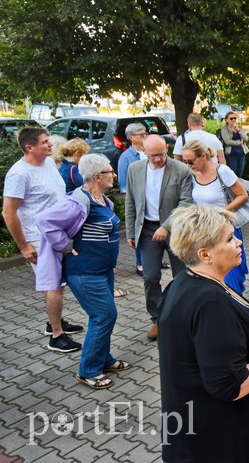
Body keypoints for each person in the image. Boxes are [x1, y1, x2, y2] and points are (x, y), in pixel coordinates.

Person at [158, 205, 249, 462]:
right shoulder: (210, 302)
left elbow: (215, 344)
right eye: (230, 239)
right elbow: (230, 385)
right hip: (226, 443)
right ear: (204, 254)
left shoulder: (185, 282)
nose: (240, 241)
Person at [36, 154, 130, 389]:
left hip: (103, 270)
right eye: (110, 171)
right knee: (104, 316)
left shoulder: (102, 200)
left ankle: (104, 359)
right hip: (85, 273)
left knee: (105, 317)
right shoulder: (78, 201)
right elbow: (45, 221)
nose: (114, 175)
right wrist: (66, 246)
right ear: (97, 177)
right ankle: (88, 370)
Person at [2, 127, 82, 353]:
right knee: (53, 285)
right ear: (30, 148)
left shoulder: (47, 163)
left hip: (58, 234)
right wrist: (24, 246)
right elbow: (9, 213)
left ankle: (54, 322)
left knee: (58, 284)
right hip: (39, 238)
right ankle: (57, 336)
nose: (50, 144)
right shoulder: (19, 174)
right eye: (45, 142)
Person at [125, 135, 194, 341]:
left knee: (182, 276)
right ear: (144, 152)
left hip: (176, 230)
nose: (158, 159)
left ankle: (182, 316)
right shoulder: (135, 169)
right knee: (151, 277)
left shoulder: (180, 169)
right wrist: (130, 231)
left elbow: (186, 202)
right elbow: (131, 201)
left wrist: (166, 225)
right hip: (147, 231)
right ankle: (157, 319)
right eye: (153, 155)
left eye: (162, 154)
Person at [180, 140, 249, 294]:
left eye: (190, 161)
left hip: (225, 230)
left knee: (230, 276)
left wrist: (221, 213)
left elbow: (242, 195)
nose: (188, 165)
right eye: (185, 162)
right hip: (205, 233)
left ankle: (236, 305)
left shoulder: (222, 171)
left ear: (203, 156)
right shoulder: (193, 174)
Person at [118, 122, 148, 278]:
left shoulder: (147, 152)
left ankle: (151, 260)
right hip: (137, 201)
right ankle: (140, 262)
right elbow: (124, 186)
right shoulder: (126, 157)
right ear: (131, 138)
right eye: (141, 134)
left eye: (145, 133)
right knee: (139, 231)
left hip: (151, 199)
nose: (145, 136)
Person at [220, 112, 249, 177]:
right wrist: (239, 142)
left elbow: (246, 139)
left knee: (239, 174)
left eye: (235, 118)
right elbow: (227, 141)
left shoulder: (240, 128)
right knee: (232, 174)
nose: (233, 120)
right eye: (231, 118)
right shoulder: (225, 129)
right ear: (226, 120)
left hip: (241, 153)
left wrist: (238, 130)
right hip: (231, 154)